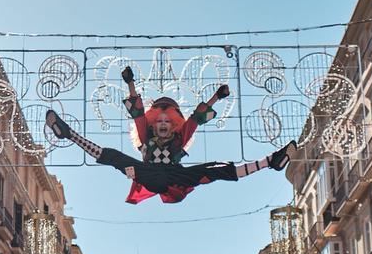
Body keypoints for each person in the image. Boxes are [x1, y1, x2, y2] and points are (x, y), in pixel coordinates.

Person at [45, 66, 294, 205]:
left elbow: (196, 120)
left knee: (216, 169)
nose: (163, 124)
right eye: (160, 120)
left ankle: (271, 161)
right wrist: (130, 83)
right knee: (113, 156)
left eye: (168, 121)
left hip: (176, 175)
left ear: (174, 124)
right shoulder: (146, 136)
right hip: (147, 173)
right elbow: (138, 114)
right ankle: (68, 133)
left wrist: (217, 96)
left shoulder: (179, 140)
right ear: (155, 122)